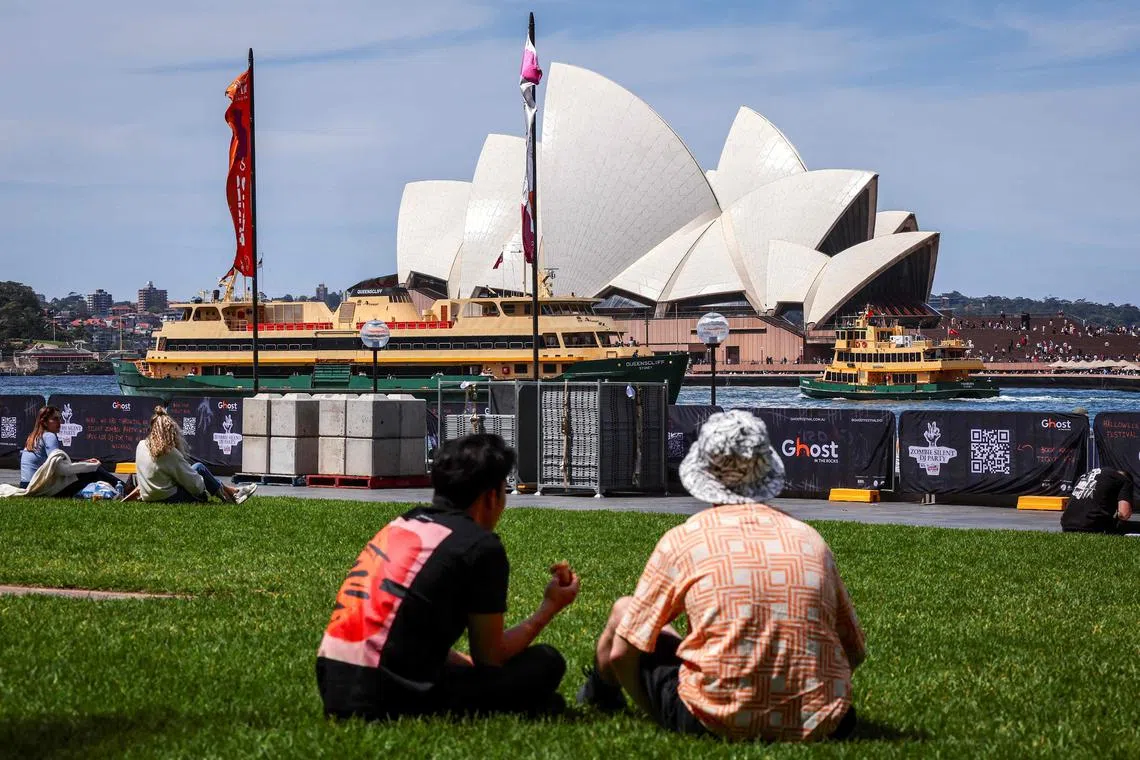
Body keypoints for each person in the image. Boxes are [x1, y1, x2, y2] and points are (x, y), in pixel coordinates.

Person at [579, 410, 865, 742]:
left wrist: (656, 712)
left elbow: (621, 652)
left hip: (714, 719)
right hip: (823, 722)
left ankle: (600, 693)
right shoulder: (810, 540)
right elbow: (853, 650)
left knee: (624, 612)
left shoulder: (686, 539)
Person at [316, 433, 579, 721]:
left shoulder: (402, 525)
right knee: (546, 662)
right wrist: (548, 608)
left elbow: (402, 628)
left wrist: (458, 662)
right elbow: (490, 657)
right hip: (385, 697)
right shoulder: (479, 546)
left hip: (333, 683)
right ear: (491, 496)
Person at [135, 406, 255, 504]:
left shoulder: (140, 446)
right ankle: (232, 493)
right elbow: (196, 487)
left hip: (148, 496)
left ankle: (232, 492)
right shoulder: (169, 453)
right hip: (168, 497)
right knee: (199, 469)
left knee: (197, 468)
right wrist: (205, 483)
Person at [19, 405, 123, 495]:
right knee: (95, 471)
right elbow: (61, 470)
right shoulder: (49, 436)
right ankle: (125, 487)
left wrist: (83, 463)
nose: (59, 422)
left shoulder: (33, 437)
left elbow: (55, 465)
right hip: (40, 488)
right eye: (55, 419)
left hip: (25, 485)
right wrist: (90, 466)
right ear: (44, 422)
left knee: (89, 470)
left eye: (60, 419)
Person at [1061, 467, 1136, 535]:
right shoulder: (1125, 480)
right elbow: (1124, 514)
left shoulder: (1087, 475)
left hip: (1066, 525)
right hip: (1091, 527)